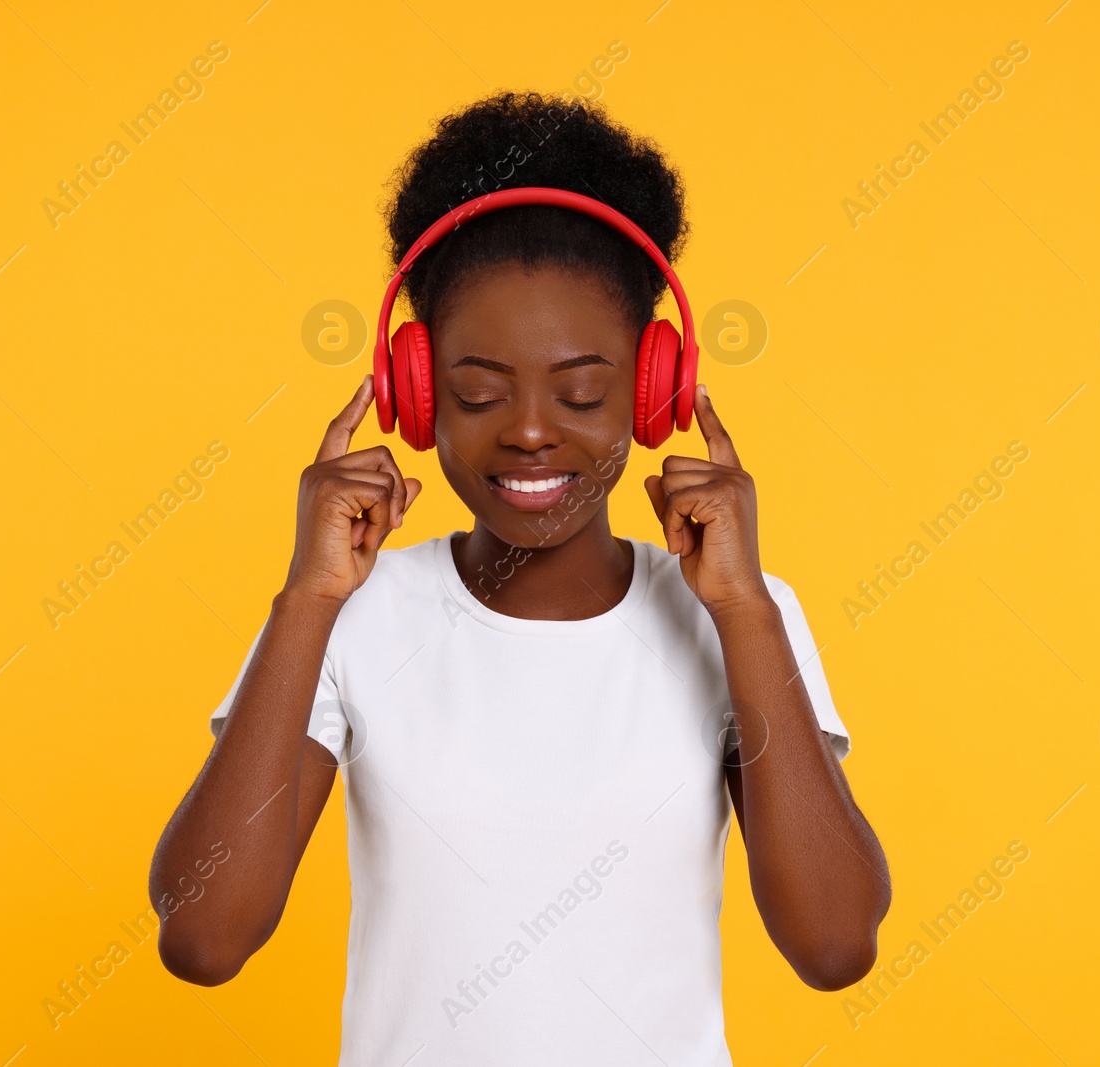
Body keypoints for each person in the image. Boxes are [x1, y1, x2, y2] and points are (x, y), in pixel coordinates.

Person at [148, 90, 890, 1065]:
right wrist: (307, 600)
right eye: (477, 391)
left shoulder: (736, 614)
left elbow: (834, 944)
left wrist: (744, 612)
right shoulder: (354, 617)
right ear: (415, 397)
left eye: (581, 391)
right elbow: (205, 936)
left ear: (652, 387)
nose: (531, 428)